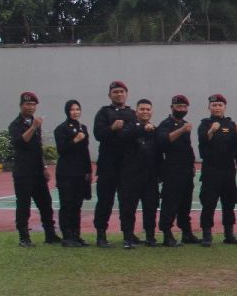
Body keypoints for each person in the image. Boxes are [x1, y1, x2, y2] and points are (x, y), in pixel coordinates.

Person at [8, 91, 59, 247]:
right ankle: (24, 237)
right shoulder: (16, 125)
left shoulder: (35, 123)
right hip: (23, 172)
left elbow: (38, 147)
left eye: (33, 105)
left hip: (37, 172)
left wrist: (44, 167)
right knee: (23, 205)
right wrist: (33, 127)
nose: (31, 107)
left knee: (45, 203)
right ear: (21, 105)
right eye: (28, 104)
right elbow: (20, 143)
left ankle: (50, 234)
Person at [197, 94, 237, 247]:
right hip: (211, 169)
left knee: (229, 203)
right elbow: (202, 145)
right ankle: (206, 234)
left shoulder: (231, 124)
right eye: (214, 105)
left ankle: (229, 233)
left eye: (220, 105)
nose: (217, 108)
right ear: (209, 107)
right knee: (208, 203)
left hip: (228, 170)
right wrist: (211, 131)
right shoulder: (204, 125)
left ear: (224, 107)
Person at [92, 80, 136, 247]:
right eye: (116, 92)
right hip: (108, 165)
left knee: (127, 201)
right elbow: (98, 134)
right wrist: (112, 128)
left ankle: (128, 235)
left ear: (126, 94)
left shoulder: (132, 114)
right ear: (110, 95)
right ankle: (101, 235)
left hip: (127, 166)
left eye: (122, 91)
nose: (119, 94)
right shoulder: (104, 113)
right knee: (105, 201)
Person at [156, 95, 198, 247]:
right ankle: (167, 234)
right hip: (172, 169)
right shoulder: (166, 124)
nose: (181, 109)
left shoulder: (185, 124)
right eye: (178, 106)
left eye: (184, 107)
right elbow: (163, 142)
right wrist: (181, 130)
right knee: (170, 202)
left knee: (185, 203)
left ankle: (186, 232)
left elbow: (187, 147)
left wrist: (192, 164)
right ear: (172, 107)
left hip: (186, 169)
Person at [118, 99, 160, 249]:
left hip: (150, 176)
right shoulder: (129, 127)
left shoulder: (155, 130)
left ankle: (150, 237)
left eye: (148, 109)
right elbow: (124, 138)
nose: (145, 112)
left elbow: (158, 154)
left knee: (150, 207)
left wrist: (160, 173)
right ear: (136, 112)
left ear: (151, 112)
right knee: (128, 208)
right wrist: (143, 129)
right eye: (142, 109)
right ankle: (128, 238)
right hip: (131, 176)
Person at [53, 99, 92, 247]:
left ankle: (76, 235)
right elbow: (61, 150)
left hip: (80, 172)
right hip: (66, 172)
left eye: (78, 109)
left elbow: (85, 152)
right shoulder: (61, 129)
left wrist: (88, 171)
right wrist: (75, 139)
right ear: (67, 111)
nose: (75, 112)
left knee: (77, 205)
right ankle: (67, 236)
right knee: (67, 204)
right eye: (72, 109)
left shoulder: (83, 128)